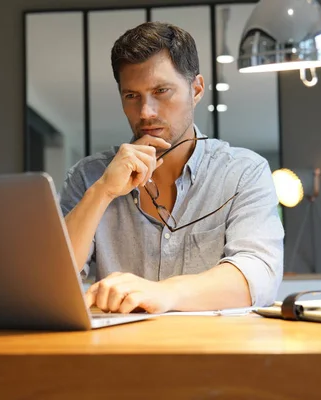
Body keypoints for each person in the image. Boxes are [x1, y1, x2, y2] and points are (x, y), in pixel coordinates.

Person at [59, 21, 284, 314]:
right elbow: (53, 280)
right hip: (118, 354)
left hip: (215, 352)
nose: (145, 112)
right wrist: (102, 191)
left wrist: (163, 293)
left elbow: (259, 274)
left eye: (161, 91)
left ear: (197, 89)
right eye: (131, 96)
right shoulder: (88, 177)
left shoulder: (244, 172)